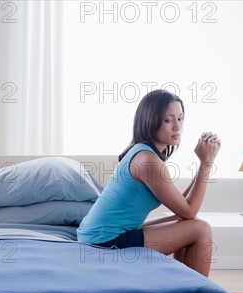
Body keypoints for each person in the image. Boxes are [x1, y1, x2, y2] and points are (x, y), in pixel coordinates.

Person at [77, 89, 220, 276]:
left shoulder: (143, 152)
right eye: (168, 120)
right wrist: (206, 163)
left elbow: (183, 209)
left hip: (97, 236)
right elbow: (190, 210)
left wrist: (203, 163)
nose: (177, 126)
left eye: (180, 118)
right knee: (200, 229)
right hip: (104, 243)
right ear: (150, 122)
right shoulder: (148, 161)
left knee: (185, 222)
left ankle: (185, 292)